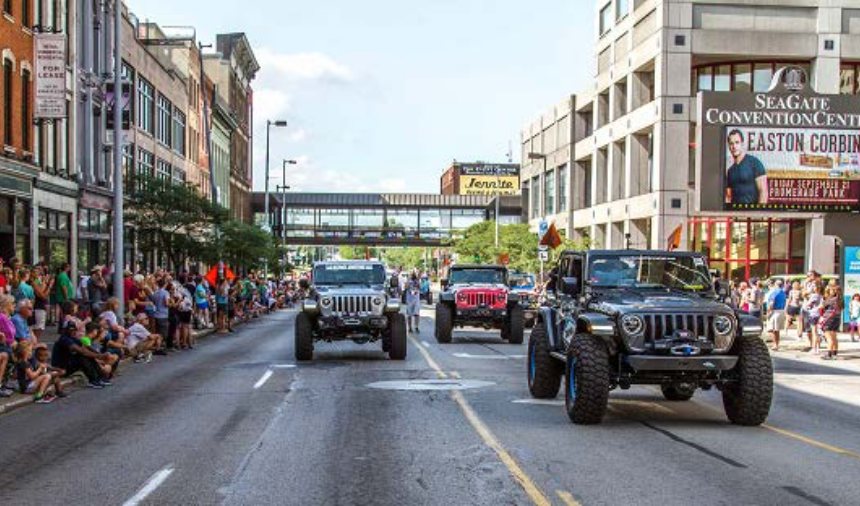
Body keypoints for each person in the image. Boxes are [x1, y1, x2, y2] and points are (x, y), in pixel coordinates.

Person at [51, 312, 110, 389]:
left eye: (74, 330)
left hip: (69, 364)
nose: (73, 332)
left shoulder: (73, 338)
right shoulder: (64, 339)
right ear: (65, 330)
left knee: (88, 355)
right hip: (61, 368)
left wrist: (100, 355)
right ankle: (93, 380)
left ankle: (100, 377)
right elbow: (81, 351)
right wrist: (100, 356)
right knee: (82, 356)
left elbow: (87, 347)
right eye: (70, 330)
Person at [725, 129, 768, 205]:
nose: (734, 146)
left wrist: (758, 214)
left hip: (751, 213)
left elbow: (763, 191)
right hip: (735, 214)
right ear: (729, 146)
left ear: (742, 144)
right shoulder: (730, 171)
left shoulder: (755, 163)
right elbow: (728, 196)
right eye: (731, 143)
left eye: (737, 142)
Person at [819, 285, 843, 360]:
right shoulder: (840, 300)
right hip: (837, 319)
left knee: (829, 337)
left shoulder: (829, 300)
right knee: (834, 337)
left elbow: (820, 307)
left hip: (828, 319)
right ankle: (835, 353)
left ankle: (829, 354)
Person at [0, 294, 17, 397]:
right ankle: (3, 385)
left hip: (8, 346)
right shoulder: (1, 317)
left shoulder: (7, 317)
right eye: (13, 304)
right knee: (15, 356)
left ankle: (5, 384)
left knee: (23, 352)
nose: (14, 306)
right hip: (3, 346)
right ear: (7, 305)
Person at [150, 278, 171, 349]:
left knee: (157, 332)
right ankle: (158, 347)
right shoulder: (166, 293)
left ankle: (157, 346)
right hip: (163, 315)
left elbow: (153, 301)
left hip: (156, 314)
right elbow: (166, 303)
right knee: (163, 334)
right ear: (164, 284)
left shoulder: (155, 292)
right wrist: (170, 304)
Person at [31, 267, 52, 341]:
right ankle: (33, 343)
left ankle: (34, 342)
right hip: (37, 306)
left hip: (41, 306)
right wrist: (48, 284)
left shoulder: (39, 281)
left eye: (40, 271)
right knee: (38, 327)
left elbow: (44, 294)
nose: (39, 273)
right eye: (37, 271)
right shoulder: (34, 281)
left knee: (39, 326)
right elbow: (42, 295)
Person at [766, 280, 786, 350]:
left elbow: (771, 303)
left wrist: (768, 312)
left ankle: (775, 344)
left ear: (776, 284)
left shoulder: (775, 292)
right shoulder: (783, 292)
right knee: (776, 330)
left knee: (771, 329)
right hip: (781, 311)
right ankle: (776, 344)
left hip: (775, 311)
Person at [54, 263, 75, 330]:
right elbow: (64, 287)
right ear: (66, 268)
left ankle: (62, 327)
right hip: (63, 298)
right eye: (69, 267)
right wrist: (67, 298)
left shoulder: (63, 275)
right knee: (65, 312)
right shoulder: (63, 276)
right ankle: (62, 327)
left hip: (63, 298)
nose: (70, 269)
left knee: (64, 312)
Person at [803, 285, 823, 354]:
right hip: (818, 314)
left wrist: (807, 304)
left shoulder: (814, 295)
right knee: (816, 332)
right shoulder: (821, 295)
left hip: (813, 314)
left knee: (814, 332)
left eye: (814, 286)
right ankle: (817, 348)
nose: (812, 287)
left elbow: (808, 304)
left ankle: (814, 348)